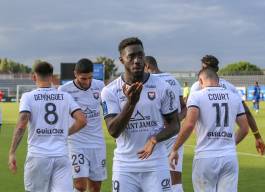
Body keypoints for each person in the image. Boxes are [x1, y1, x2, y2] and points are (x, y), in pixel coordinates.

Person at [101, 37, 180, 192]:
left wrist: (154, 139)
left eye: (140, 55)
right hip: (125, 166)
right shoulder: (110, 91)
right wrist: (131, 103)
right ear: (122, 60)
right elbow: (114, 131)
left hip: (156, 164)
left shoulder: (162, 86)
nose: (137, 60)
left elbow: (175, 124)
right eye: (131, 56)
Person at [8, 61, 87, 192]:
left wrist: (12, 152)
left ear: (34, 77)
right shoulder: (65, 96)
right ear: (51, 77)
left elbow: (22, 124)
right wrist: (65, 133)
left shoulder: (28, 97)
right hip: (61, 156)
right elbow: (82, 120)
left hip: (38, 156)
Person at [170, 68, 249, 192]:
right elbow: (244, 128)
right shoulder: (234, 96)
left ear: (201, 81)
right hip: (229, 157)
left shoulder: (197, 96)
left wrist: (174, 148)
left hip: (206, 156)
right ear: (218, 81)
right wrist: (229, 144)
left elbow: (189, 124)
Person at [190, 55, 265, 155]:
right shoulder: (230, 87)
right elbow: (246, 112)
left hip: (206, 150)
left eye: (203, 68)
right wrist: (257, 136)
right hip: (226, 152)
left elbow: (190, 119)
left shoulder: (197, 87)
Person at [59, 58, 107, 192]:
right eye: (83, 78)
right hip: (76, 143)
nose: (87, 82)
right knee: (79, 185)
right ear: (75, 74)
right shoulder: (64, 90)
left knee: (95, 187)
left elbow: (109, 111)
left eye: (90, 78)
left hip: (97, 143)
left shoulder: (100, 86)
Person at [144, 55, 186, 192]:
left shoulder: (150, 81)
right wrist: (174, 122)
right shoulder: (173, 80)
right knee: (175, 178)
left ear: (147, 67)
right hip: (175, 135)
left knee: (152, 179)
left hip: (157, 137)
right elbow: (184, 108)